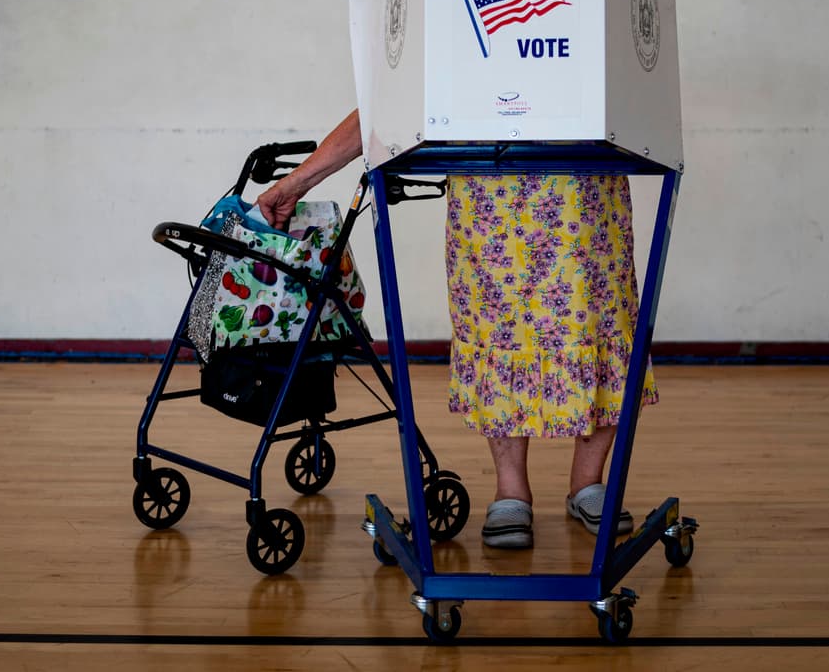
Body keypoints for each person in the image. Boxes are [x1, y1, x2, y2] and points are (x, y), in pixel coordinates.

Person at [256, 109, 657, 549]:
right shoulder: (454, 36)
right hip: (490, 193)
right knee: (497, 334)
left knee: (600, 328)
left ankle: (588, 483)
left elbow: (632, 82)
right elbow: (387, 99)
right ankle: (510, 491)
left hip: (585, 189)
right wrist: (297, 182)